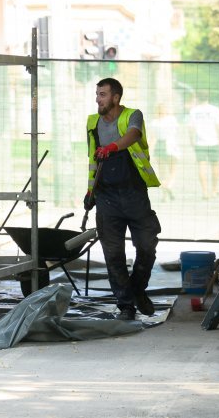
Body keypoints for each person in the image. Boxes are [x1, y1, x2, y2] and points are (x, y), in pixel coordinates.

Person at [85, 78, 161, 320]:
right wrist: (90, 191)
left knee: (147, 246)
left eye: (103, 94)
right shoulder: (92, 122)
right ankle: (126, 304)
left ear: (116, 98)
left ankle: (137, 289)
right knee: (113, 253)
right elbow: (93, 158)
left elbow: (132, 135)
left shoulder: (132, 115)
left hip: (134, 193)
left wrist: (113, 147)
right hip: (106, 196)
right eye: (97, 94)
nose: (98, 99)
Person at [187, 91, 219, 199]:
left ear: (197, 98)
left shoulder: (194, 111)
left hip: (199, 142)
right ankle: (214, 190)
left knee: (201, 167)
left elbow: (190, 128)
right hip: (214, 141)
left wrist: (191, 140)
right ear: (208, 97)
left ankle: (204, 192)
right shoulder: (215, 110)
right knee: (215, 166)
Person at [150, 103, 181, 201]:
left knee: (162, 172)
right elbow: (176, 131)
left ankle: (165, 195)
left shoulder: (154, 122)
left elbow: (152, 138)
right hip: (171, 146)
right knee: (173, 171)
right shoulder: (171, 120)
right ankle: (168, 186)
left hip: (159, 147)